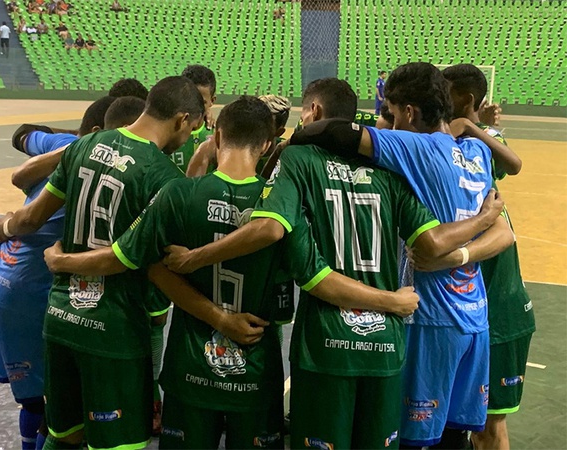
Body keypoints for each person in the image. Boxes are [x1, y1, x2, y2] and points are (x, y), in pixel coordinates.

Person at [162, 77, 508, 449]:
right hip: (388, 343)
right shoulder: (392, 170)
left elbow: (297, 259)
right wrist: (485, 220)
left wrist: (193, 257)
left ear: (313, 112)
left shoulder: (298, 160)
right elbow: (431, 242)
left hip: (325, 345)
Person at [275, 64, 516, 448]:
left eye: (390, 110)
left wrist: (300, 135)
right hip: (476, 318)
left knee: (416, 439)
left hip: (432, 316)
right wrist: (478, 227)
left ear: (408, 112)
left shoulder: (413, 147)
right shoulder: (475, 152)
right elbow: (503, 225)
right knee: (458, 434)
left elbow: (336, 131)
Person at [0, 76, 205, 449]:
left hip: (60, 320)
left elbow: (30, 218)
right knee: (116, 443)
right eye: (191, 128)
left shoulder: (84, 145)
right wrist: (64, 262)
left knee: (63, 435)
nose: (188, 138)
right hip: (113, 330)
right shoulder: (165, 178)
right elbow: (124, 258)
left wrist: (4, 225)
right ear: (182, 119)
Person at [0, 96, 119, 450]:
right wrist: (78, 147)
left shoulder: (65, 145)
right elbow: (22, 133)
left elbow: (24, 137)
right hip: (28, 291)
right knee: (62, 403)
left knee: (35, 400)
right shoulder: (90, 159)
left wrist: (71, 146)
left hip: (1, 278)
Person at [442, 63, 535, 450]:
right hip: (468, 311)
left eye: (442, 91)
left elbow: (512, 163)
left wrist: (475, 126)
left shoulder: (480, 145)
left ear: (463, 100)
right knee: (459, 424)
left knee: (487, 429)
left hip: (500, 313)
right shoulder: (449, 147)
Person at [169, 65, 217, 172]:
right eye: (191, 99)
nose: (196, 106)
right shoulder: (167, 132)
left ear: (212, 101)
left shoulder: (218, 135)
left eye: (202, 102)